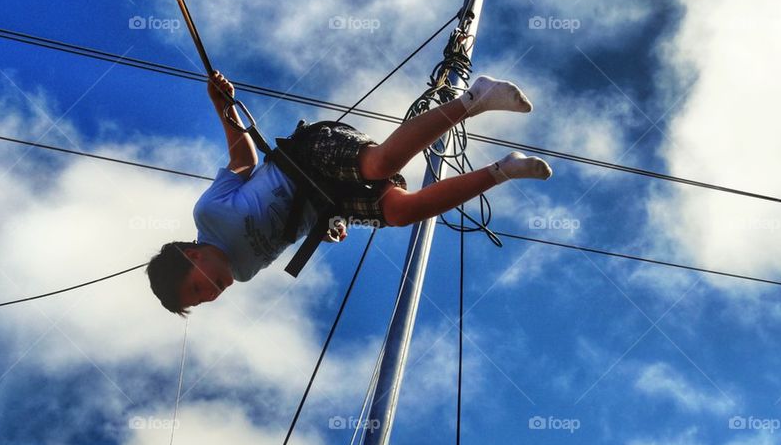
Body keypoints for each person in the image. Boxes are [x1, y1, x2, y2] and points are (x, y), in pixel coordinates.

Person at [147, 71, 552, 316]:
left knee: (378, 165)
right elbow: (286, 228)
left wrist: (223, 108)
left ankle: (474, 97)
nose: (212, 295)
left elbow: (242, 160)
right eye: (202, 301)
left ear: (192, 255)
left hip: (308, 158)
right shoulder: (245, 271)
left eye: (198, 288)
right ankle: (504, 170)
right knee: (400, 212)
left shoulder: (210, 215)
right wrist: (324, 229)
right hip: (326, 202)